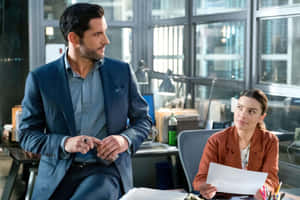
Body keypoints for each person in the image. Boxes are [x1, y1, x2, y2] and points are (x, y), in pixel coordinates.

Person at [18, 3, 152, 200]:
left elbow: (143, 121)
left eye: (104, 32)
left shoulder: (121, 72)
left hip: (105, 172)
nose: (106, 40)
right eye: (97, 34)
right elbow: (27, 135)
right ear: (73, 38)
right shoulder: (41, 79)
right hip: (57, 178)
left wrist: (124, 140)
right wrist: (65, 143)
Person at [193, 89, 279, 199]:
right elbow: (200, 179)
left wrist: (265, 189)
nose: (242, 115)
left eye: (251, 111)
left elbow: (271, 178)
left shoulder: (270, 141)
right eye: (240, 107)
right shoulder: (216, 140)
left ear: (261, 117)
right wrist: (206, 188)